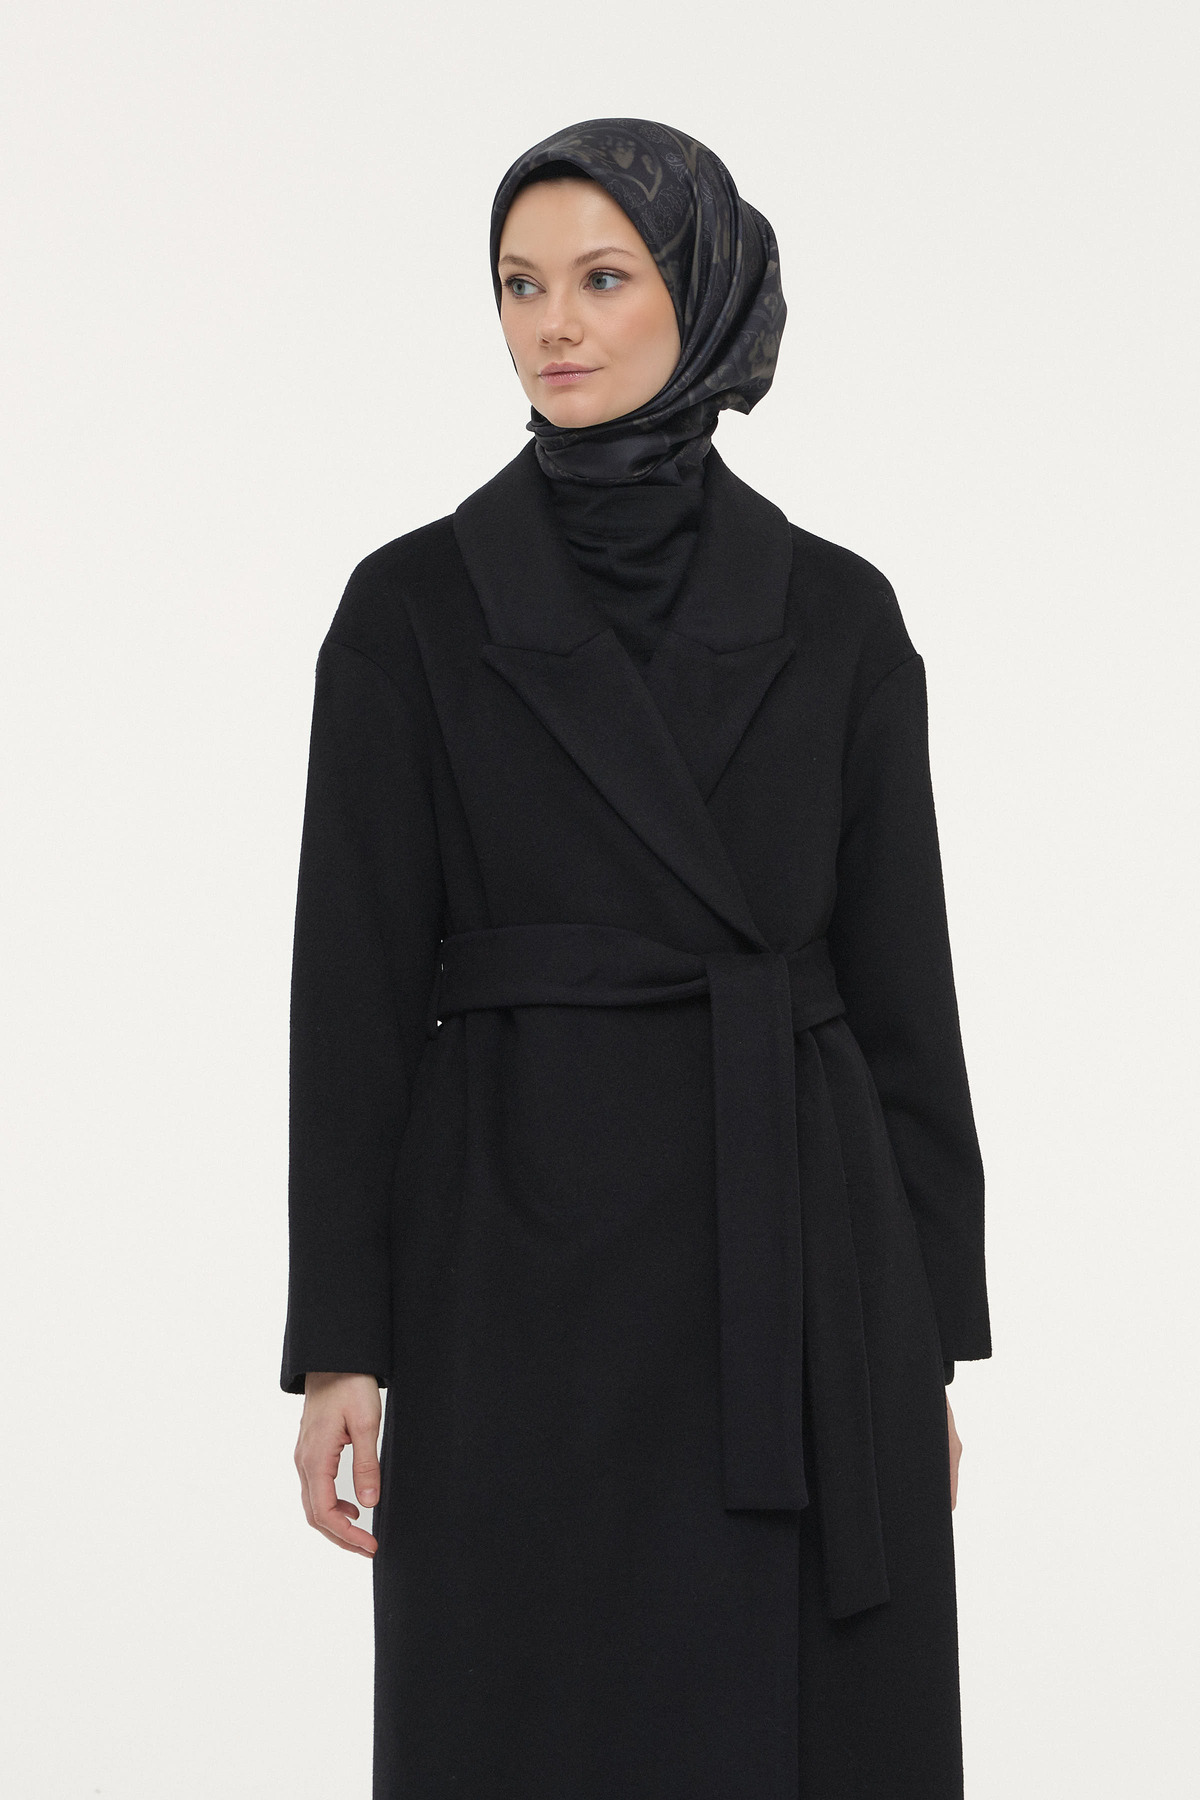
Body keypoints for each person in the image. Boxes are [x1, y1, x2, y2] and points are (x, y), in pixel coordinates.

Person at [282, 117, 991, 1800]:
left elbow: (907, 1002)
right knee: (532, 1710)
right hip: (510, 1260)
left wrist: (923, 1344)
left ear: (703, 292)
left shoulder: (838, 613)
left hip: (796, 1270)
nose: (554, 326)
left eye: (603, 279)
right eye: (520, 285)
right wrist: (339, 1344)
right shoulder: (411, 610)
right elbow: (351, 1001)